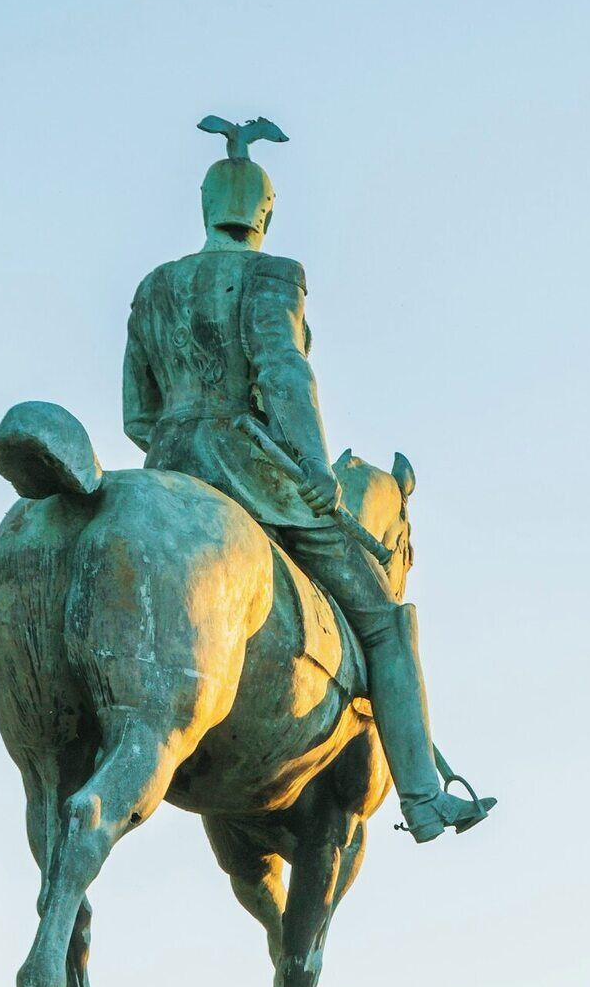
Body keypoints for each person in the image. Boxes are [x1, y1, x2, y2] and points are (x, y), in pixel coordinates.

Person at [124, 115, 496, 843]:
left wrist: (180, 440)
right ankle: (422, 798)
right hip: (256, 470)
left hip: (169, 469)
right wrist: (315, 470)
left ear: (208, 209)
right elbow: (285, 373)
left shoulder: (154, 287)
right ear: (263, 212)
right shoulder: (272, 274)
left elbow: (138, 415)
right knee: (386, 623)